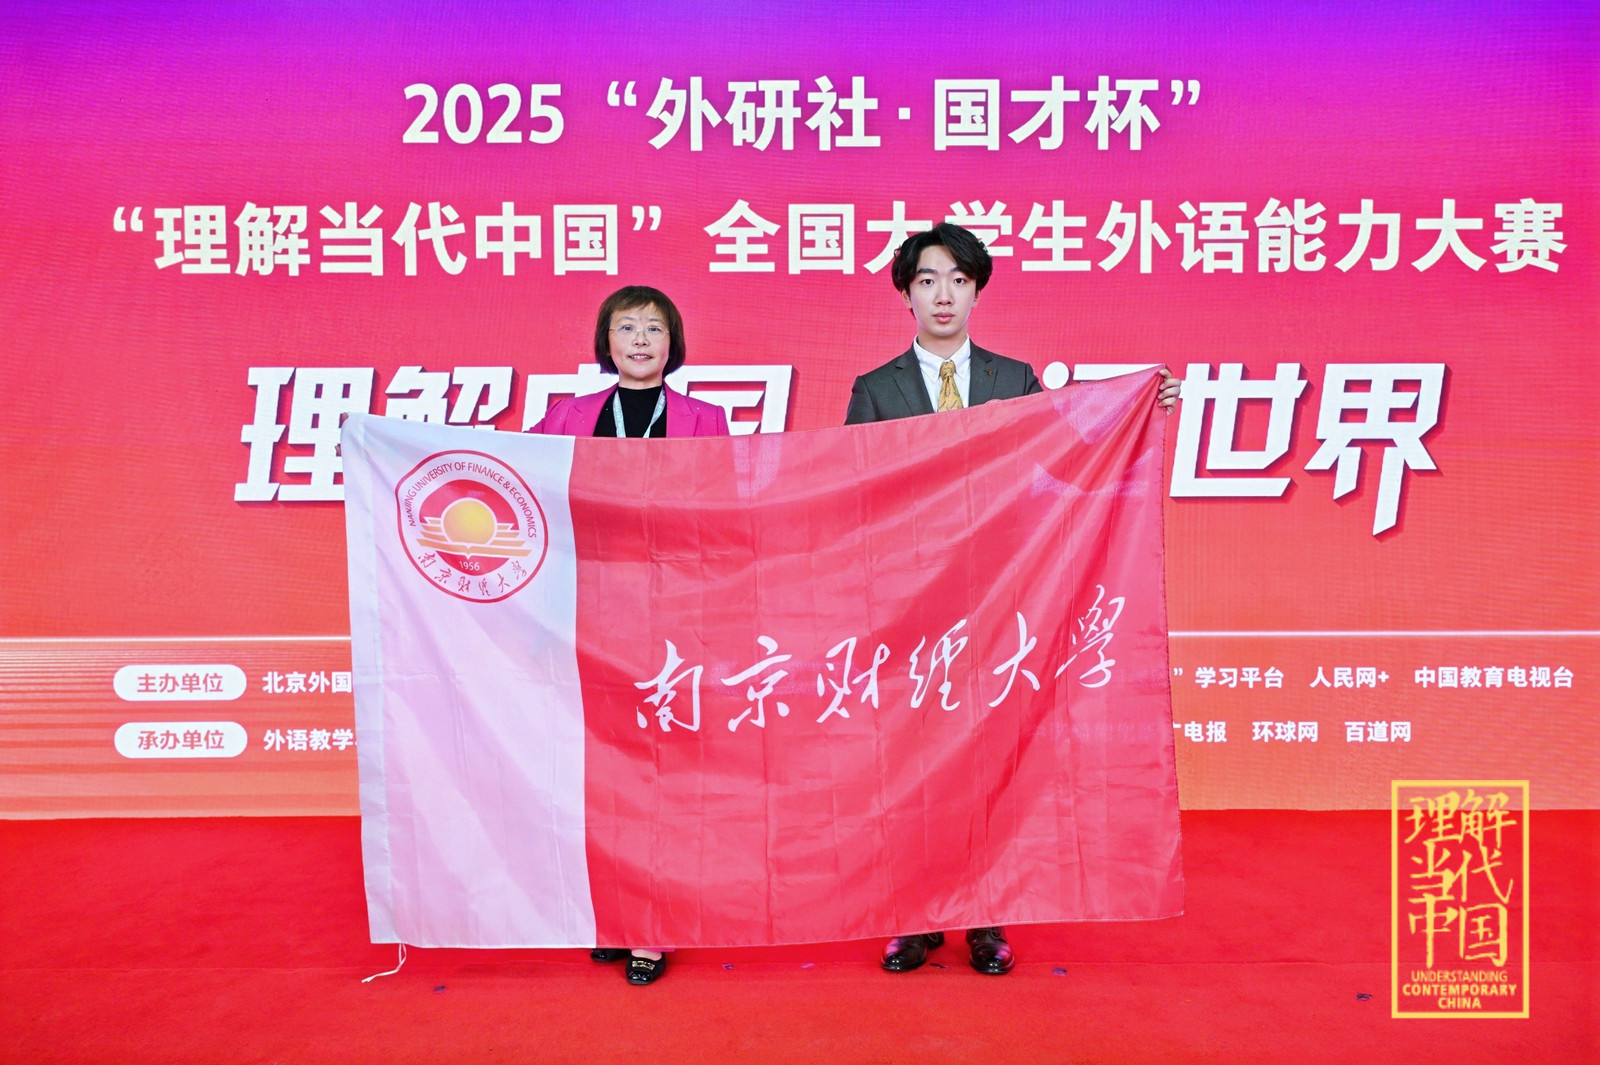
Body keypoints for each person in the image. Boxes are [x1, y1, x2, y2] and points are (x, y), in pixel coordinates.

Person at [843, 222, 1179, 975]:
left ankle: (986, 919)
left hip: (1000, 599)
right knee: (913, 763)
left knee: (990, 758)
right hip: (911, 607)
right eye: (928, 279)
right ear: (905, 294)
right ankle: (912, 916)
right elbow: (855, 495)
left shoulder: (1015, 380)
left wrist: (1142, 408)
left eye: (959, 280)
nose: (944, 294)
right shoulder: (875, 389)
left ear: (976, 292)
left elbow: (1067, 459)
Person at [529, 284, 729, 984]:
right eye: (626, 327)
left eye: (654, 328)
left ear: (673, 343)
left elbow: (724, 515)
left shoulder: (706, 421)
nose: (640, 340)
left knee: (659, 770)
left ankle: (654, 922)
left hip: (672, 618)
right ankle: (614, 912)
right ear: (605, 342)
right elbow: (527, 492)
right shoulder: (567, 417)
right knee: (600, 771)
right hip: (587, 615)